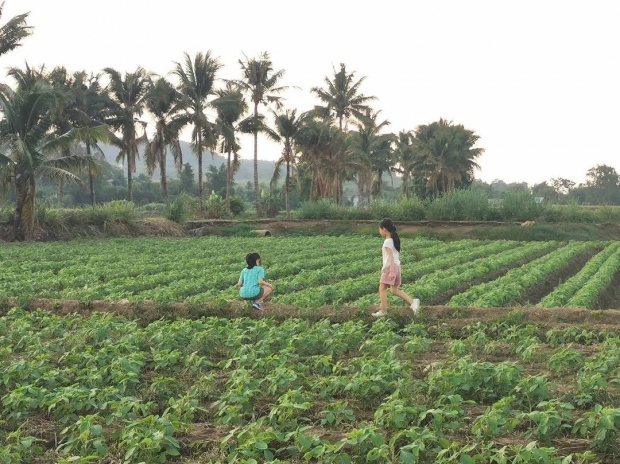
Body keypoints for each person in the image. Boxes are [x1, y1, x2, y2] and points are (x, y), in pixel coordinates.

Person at [372, 218, 420, 317]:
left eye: (380, 229)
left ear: (384, 229)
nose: (379, 231)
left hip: (391, 268)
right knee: (394, 290)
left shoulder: (387, 242)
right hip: (397, 266)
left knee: (382, 288)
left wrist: (391, 272)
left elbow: (391, 257)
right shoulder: (393, 240)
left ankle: (383, 311)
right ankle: (413, 302)